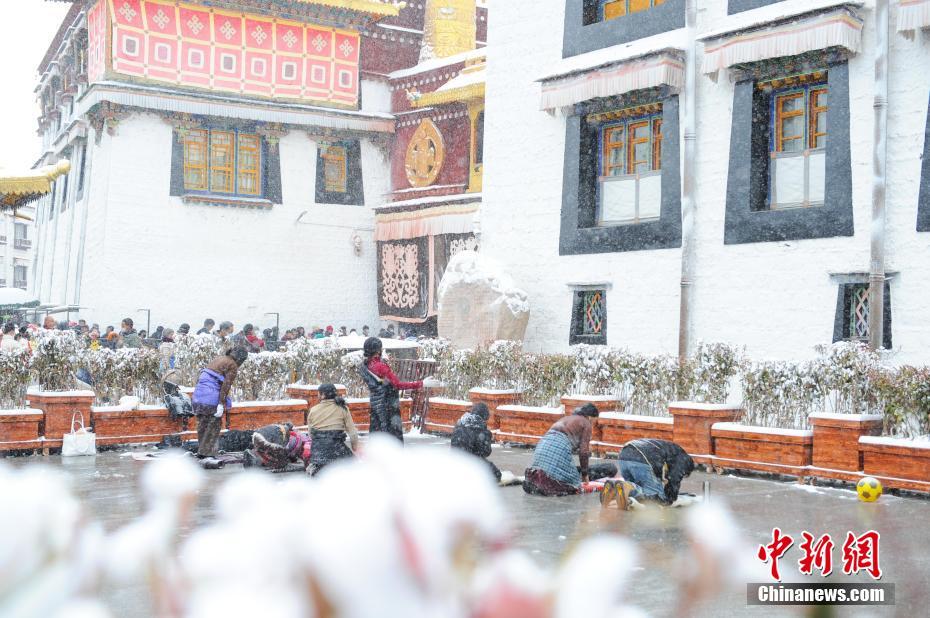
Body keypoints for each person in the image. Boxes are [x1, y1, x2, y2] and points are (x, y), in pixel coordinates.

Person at [522, 404, 618, 497]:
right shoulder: (585, 422)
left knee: (564, 471)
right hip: (557, 453)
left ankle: (538, 480)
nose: (592, 424)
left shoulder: (566, 419)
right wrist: (585, 475)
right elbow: (583, 452)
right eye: (594, 421)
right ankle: (549, 481)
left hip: (541, 450)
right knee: (573, 479)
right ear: (590, 417)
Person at [359, 337, 423, 443]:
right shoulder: (380, 366)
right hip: (388, 406)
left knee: (378, 435)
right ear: (378, 350)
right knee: (392, 439)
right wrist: (421, 383)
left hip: (376, 405)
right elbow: (397, 385)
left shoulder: (366, 366)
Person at [603, 439, 696, 510]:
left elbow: (665, 474)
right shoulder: (684, 459)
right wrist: (670, 498)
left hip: (624, 455)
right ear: (687, 469)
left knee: (636, 490)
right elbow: (674, 478)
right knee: (657, 497)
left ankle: (614, 488)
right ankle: (628, 487)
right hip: (642, 457)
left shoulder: (671, 450)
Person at [191, 346, 248, 459]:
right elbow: (226, 385)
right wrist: (221, 404)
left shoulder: (219, 359)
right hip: (210, 398)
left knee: (203, 424)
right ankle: (207, 454)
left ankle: (202, 452)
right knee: (214, 424)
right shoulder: (232, 365)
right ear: (241, 359)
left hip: (199, 396)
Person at [306, 383, 359, 476]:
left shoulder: (313, 410)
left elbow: (310, 433)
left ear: (323, 395)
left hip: (318, 451)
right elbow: (353, 433)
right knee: (354, 467)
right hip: (337, 450)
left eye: (318, 393)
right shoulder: (343, 409)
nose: (317, 395)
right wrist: (355, 447)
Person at [451, 403, 501, 482]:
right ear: (485, 416)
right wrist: (487, 437)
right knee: (496, 475)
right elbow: (485, 452)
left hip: (454, 460)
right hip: (470, 462)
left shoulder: (460, 423)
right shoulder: (480, 428)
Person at [245, 422, 311, 471]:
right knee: (280, 462)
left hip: (259, 435)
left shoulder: (298, 437)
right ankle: (256, 459)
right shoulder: (305, 441)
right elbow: (306, 453)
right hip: (272, 439)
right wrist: (306, 465)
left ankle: (253, 457)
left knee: (268, 453)